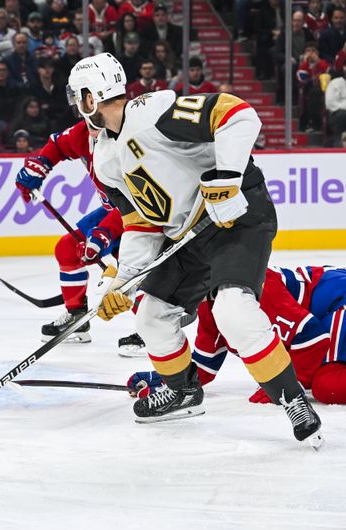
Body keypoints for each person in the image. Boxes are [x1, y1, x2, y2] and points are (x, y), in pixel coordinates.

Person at [65, 52, 322, 447]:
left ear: (90, 95)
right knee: (150, 315)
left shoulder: (153, 111)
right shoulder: (104, 159)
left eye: (78, 97)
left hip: (237, 218)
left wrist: (229, 179)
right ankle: (184, 391)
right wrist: (122, 282)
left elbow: (237, 114)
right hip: (188, 235)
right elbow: (141, 224)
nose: (77, 107)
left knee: (232, 309)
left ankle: (292, 400)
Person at [128, 266, 346, 406]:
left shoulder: (251, 288)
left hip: (338, 299)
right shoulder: (209, 308)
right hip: (326, 316)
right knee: (327, 384)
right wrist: (168, 378)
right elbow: (204, 367)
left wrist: (288, 384)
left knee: (327, 386)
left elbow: (311, 336)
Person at [15, 118, 123, 342]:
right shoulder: (86, 131)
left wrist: (104, 234)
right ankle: (77, 316)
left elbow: (138, 202)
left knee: (133, 271)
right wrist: (40, 165)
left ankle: (150, 331)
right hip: (112, 210)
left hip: (144, 216)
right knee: (68, 249)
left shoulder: (128, 140)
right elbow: (58, 145)